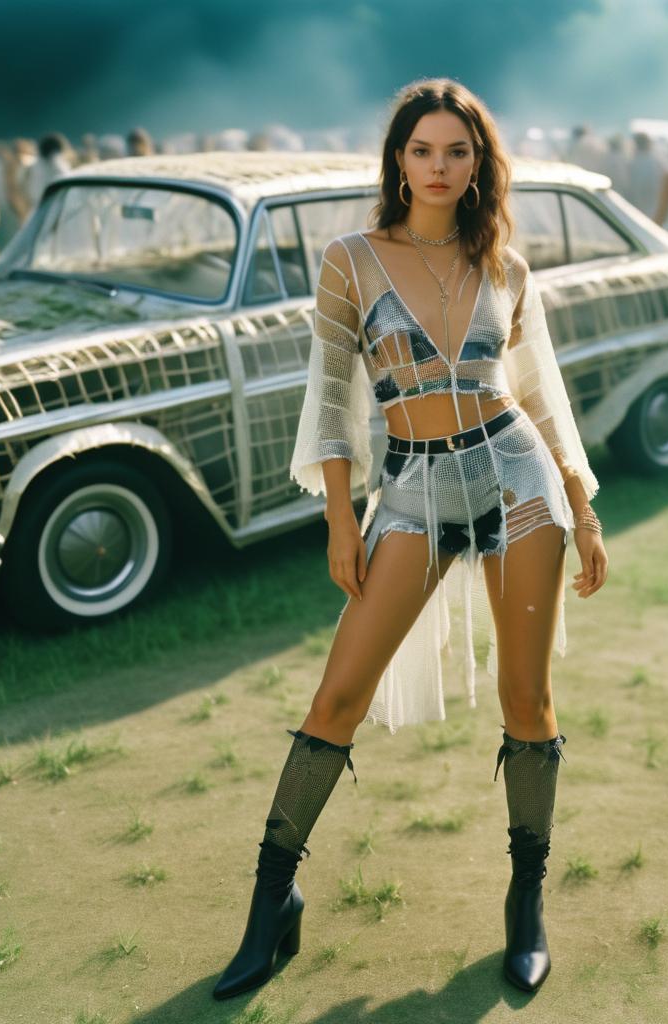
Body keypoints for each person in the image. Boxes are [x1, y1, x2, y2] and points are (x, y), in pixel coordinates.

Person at [212, 77, 608, 1002]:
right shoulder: (351, 258)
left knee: (526, 693)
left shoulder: (505, 263)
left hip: (517, 477)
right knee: (339, 693)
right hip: (414, 490)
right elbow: (328, 398)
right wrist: (340, 515)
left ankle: (526, 903)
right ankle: (272, 903)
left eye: (457, 152)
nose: (439, 167)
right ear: (399, 158)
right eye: (423, 150)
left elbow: (541, 395)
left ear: (479, 166)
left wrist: (583, 512)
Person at [22, 133, 73, 217]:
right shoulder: (58, 163)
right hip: (51, 208)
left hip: (36, 207)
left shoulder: (34, 164)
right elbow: (67, 178)